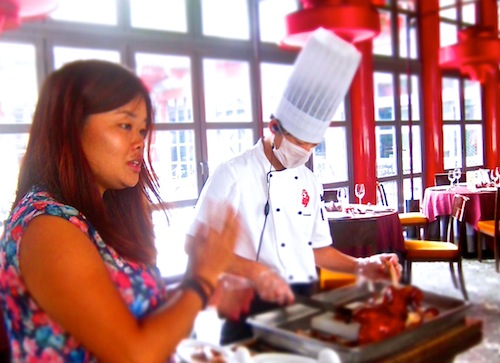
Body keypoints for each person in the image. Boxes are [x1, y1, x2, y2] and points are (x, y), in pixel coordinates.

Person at [0, 59, 241, 362]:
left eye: (142, 129)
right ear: (71, 128)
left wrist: (196, 283)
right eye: (125, 125)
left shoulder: (101, 212)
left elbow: (139, 318)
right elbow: (134, 355)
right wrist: (203, 278)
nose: (139, 141)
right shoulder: (50, 227)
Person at [187, 28, 403, 345]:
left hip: (304, 301)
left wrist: (361, 265)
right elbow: (194, 245)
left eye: (313, 145)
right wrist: (258, 272)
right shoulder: (232, 174)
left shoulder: (309, 180)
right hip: (248, 306)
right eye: (299, 141)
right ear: (274, 127)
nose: (304, 151)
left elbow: (316, 249)